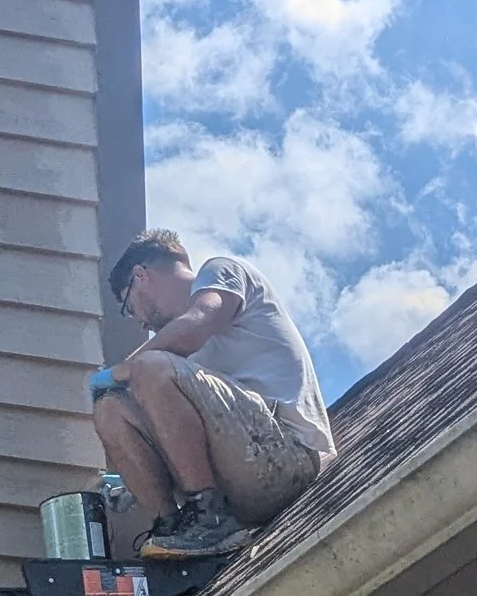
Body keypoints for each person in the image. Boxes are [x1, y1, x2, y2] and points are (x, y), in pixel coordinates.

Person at [90, 229, 336, 559]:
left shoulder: (222, 271)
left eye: (129, 307)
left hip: (288, 457)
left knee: (149, 368)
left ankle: (208, 516)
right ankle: (175, 526)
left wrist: (121, 370)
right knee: (110, 409)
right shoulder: (180, 365)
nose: (139, 322)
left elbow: (195, 326)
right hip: (239, 487)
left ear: (140, 276)